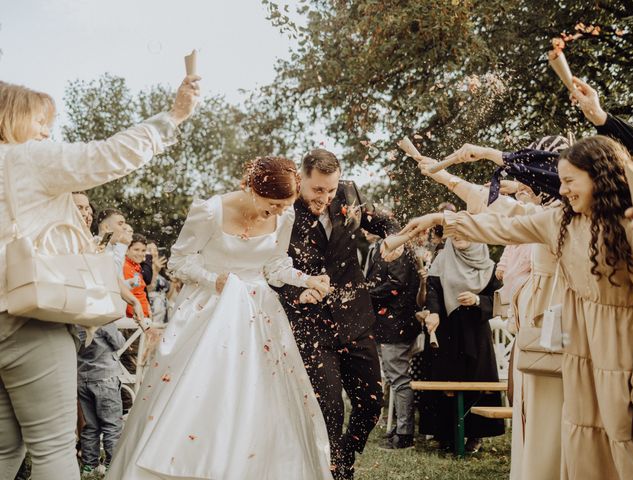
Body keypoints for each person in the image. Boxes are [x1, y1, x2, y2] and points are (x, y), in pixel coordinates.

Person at [399, 135, 633, 479]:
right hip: (577, 349)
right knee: (581, 442)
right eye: (562, 181)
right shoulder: (560, 220)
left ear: (599, 177)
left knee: (622, 441)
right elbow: (503, 225)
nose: (564, 189)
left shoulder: (627, 227)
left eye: (570, 181)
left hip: (619, 351)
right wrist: (442, 220)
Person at [0, 76, 199, 480]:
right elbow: (108, 156)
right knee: (53, 448)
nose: (46, 132)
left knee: (4, 447)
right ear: (12, 119)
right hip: (27, 315)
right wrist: (173, 116)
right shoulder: (25, 159)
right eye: (40, 121)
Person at [106, 156, 334, 480]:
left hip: (259, 316)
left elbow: (275, 265)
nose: (280, 212)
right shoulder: (210, 211)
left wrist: (305, 279)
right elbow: (179, 261)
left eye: (285, 206)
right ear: (254, 189)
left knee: (262, 396)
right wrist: (215, 281)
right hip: (208, 310)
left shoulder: (285, 216)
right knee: (200, 393)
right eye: (274, 205)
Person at [276, 149, 401, 479]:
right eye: (318, 190)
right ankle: (331, 471)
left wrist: (394, 238)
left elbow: (383, 219)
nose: (325, 197)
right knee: (328, 407)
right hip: (311, 324)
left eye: (330, 190)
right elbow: (266, 267)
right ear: (301, 179)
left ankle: (345, 454)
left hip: (355, 318)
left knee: (371, 403)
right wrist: (296, 292)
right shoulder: (283, 210)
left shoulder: (348, 194)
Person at [417, 236, 504, 453]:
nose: (458, 237)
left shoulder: (488, 265)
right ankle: (446, 434)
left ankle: (476, 434)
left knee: (476, 380)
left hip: (475, 332)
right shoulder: (442, 259)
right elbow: (434, 291)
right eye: (454, 233)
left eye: (464, 232)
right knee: (446, 379)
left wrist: (477, 301)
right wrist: (434, 313)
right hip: (446, 329)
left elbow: (499, 300)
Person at [362, 230, 421, 449]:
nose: (364, 230)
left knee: (399, 379)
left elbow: (397, 283)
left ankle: (404, 435)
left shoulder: (398, 246)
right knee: (394, 377)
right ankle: (398, 428)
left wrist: (366, 294)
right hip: (385, 324)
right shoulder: (380, 247)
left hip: (397, 325)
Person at [77, 323, 126, 478]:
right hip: (105, 378)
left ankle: (89, 467)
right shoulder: (103, 318)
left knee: (89, 427)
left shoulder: (72, 318)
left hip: (82, 378)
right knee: (112, 426)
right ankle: (112, 466)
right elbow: (119, 342)